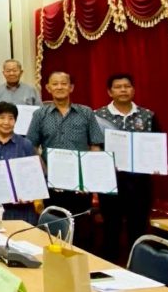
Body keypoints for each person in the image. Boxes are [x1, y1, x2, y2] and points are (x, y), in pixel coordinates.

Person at [26, 71, 103, 250]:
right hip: (52, 183)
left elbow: (95, 145)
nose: (59, 87)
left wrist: (90, 179)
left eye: (63, 83)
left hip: (80, 184)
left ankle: (83, 263)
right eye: (55, 84)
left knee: (82, 231)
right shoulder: (40, 114)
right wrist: (45, 173)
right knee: (54, 231)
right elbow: (32, 147)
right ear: (48, 88)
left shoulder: (86, 112)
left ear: (71, 87)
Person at [94, 73, 160, 263]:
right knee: (111, 228)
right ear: (110, 92)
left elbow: (156, 144)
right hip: (110, 182)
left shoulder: (148, 116)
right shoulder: (98, 116)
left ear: (133, 89)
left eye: (127, 86)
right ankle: (110, 268)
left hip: (140, 183)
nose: (123, 90)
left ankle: (138, 267)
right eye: (118, 87)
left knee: (138, 228)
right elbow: (93, 146)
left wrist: (158, 162)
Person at [0, 102, 38, 225]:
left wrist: (29, 194)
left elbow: (35, 176)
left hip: (20, 210)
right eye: (2, 118)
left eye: (11, 118)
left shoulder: (26, 144)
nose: (6, 122)